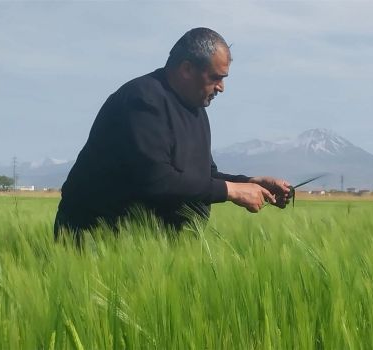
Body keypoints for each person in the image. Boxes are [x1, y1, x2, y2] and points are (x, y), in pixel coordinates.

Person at [55, 28, 291, 240]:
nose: (221, 87)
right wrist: (232, 191)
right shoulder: (142, 101)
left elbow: (202, 175)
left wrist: (249, 182)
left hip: (149, 247)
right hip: (99, 239)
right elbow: (157, 180)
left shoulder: (196, 108)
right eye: (216, 77)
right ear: (187, 69)